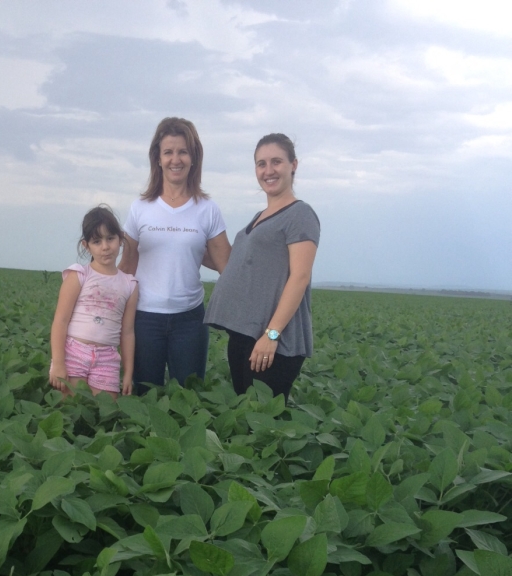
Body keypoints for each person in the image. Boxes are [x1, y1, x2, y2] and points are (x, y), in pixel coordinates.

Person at [204, 133, 320, 401]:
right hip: (245, 335)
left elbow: (299, 277)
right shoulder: (259, 217)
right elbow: (238, 266)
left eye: (276, 162)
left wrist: (272, 334)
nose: (268, 171)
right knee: (245, 418)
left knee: (264, 422)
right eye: (261, 164)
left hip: (275, 342)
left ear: (294, 165)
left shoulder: (300, 214)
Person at [119, 116, 231, 392]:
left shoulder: (207, 209)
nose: (175, 159)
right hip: (144, 319)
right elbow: (126, 266)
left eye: (183, 151)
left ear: (194, 158)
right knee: (145, 399)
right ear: (157, 158)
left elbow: (226, 265)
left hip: (190, 321)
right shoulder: (140, 208)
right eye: (168, 152)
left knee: (189, 400)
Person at [49, 206, 138, 398]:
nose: (105, 247)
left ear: (121, 239)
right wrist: (58, 363)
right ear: (86, 245)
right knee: (73, 410)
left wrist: (129, 373)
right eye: (97, 241)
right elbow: (60, 321)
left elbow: (128, 332)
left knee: (105, 414)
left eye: (110, 238)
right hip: (74, 352)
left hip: (108, 358)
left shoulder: (130, 284)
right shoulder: (79, 275)